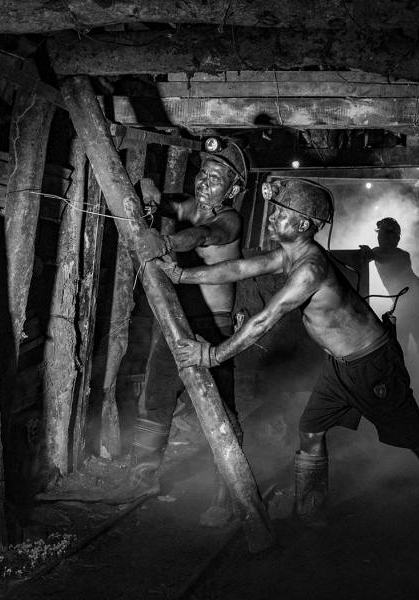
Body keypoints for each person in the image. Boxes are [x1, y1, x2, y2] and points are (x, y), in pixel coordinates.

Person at [161, 179, 419, 547]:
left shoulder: (309, 268)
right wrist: (182, 275)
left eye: (280, 214)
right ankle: (311, 512)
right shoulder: (289, 254)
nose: (272, 218)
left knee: (418, 439)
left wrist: (211, 354)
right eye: (274, 212)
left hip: (371, 363)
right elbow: (240, 269)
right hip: (340, 367)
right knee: (311, 429)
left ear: (304, 224)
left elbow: (265, 319)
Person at [105, 141, 246, 529]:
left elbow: (202, 234)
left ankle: (228, 493)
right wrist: (150, 190)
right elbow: (170, 203)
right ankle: (141, 479)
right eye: (203, 173)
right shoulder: (192, 206)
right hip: (176, 323)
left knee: (220, 413)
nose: (204, 182)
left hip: (212, 329)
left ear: (233, 189)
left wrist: (166, 242)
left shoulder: (230, 220)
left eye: (216, 178)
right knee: (156, 398)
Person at [360, 218, 419, 369]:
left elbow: (385, 259)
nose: (381, 239)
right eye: (380, 235)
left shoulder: (402, 255)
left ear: (395, 238)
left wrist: (370, 254)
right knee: (400, 346)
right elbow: (375, 256)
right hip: (404, 304)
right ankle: (407, 377)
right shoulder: (378, 252)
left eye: (385, 236)